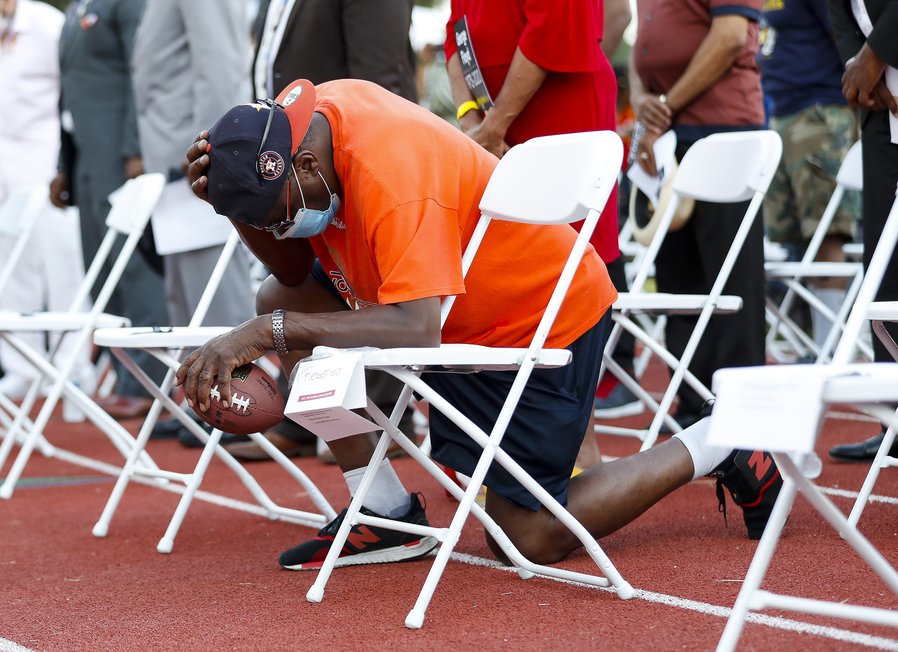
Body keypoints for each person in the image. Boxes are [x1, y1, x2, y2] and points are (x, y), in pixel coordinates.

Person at [176, 78, 782, 570]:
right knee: (278, 297)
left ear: (305, 165)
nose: (278, 230)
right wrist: (235, 206)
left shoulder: (388, 168)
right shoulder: (300, 135)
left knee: (528, 538)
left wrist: (268, 335)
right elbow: (292, 266)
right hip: (458, 308)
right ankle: (384, 513)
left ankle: (718, 439)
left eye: (275, 215)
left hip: (537, 319)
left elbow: (418, 328)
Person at [226, 0, 423, 462]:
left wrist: (378, 169)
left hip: (347, 162)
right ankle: (346, 458)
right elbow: (291, 276)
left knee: (383, 288)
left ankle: (383, 413)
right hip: (299, 169)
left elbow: (384, 78)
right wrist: (234, 185)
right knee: (280, 292)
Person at [443, 0, 633, 463]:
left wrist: (495, 122)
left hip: (558, 111)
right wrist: (475, 120)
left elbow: (557, 24)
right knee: (498, 271)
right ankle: (497, 447)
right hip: (492, 123)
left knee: (565, 273)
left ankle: (575, 448)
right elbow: (457, 33)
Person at [630, 0, 768, 429]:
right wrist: (640, 100)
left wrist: (663, 106)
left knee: (730, 279)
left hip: (721, 128)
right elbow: (644, 44)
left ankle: (740, 417)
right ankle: (692, 407)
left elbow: (728, 38)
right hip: (670, 136)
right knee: (679, 285)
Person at [130, 0, 258, 442]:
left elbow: (220, 64)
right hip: (170, 154)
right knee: (186, 293)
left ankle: (239, 404)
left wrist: (216, 153)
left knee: (213, 289)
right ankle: (204, 399)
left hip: (195, 152)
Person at [0, 0, 93, 399]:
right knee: (10, 269)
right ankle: (22, 366)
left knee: (63, 268)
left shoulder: (48, 25)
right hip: (0, 170)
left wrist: (66, 164)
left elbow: (71, 97)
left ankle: (73, 366)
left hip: (47, 164)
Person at [50, 0, 168, 420]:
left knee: (133, 267)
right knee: (100, 271)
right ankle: (125, 375)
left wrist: (135, 149)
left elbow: (143, 71)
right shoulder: (75, 9)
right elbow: (69, 90)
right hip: (85, 157)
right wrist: (65, 165)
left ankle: (153, 379)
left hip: (120, 155)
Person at [759, 0, 860, 351]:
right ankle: (810, 341)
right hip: (783, 110)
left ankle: (827, 345)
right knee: (792, 236)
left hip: (821, 109)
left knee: (824, 233)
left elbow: (845, 33)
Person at [826, 0, 898, 462]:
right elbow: (840, 8)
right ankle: (893, 420)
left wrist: (875, 52)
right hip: (881, 109)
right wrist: (860, 66)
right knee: (885, 267)